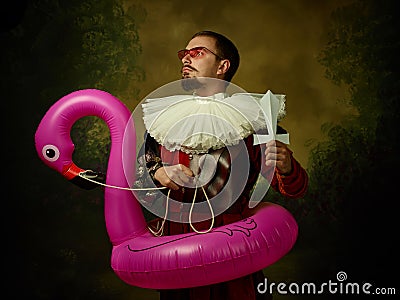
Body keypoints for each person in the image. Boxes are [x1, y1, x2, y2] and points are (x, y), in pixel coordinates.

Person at [139, 30, 308, 300]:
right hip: (176, 253)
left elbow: (293, 188)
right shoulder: (164, 122)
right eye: (184, 54)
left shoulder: (253, 120)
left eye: (197, 53)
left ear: (222, 66)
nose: (186, 59)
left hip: (231, 251)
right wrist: (159, 172)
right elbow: (139, 176)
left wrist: (286, 167)